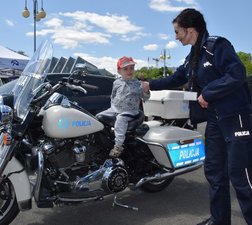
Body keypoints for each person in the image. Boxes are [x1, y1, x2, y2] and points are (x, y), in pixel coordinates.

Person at [148, 8, 252, 225]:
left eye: (177, 32)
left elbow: (237, 74)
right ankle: (219, 220)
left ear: (190, 30)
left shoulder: (217, 46)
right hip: (214, 119)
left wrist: (208, 92)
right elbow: (177, 77)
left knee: (240, 175)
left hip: (235, 116)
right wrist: (149, 84)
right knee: (214, 171)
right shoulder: (193, 56)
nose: (175, 37)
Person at [97, 56, 150, 158]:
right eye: (125, 69)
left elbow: (145, 98)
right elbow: (113, 95)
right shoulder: (116, 82)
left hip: (130, 111)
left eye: (131, 68)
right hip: (115, 108)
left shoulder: (138, 84)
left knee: (121, 120)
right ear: (119, 71)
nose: (129, 71)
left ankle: (118, 145)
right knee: (99, 117)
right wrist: (113, 107)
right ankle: (103, 140)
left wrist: (146, 90)